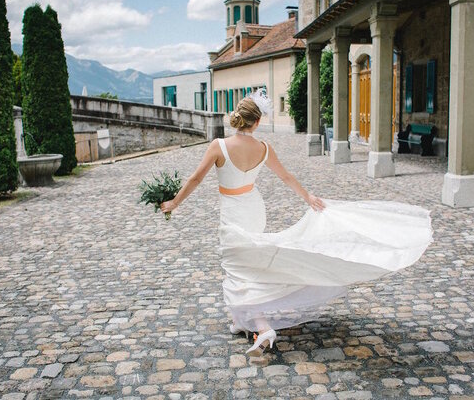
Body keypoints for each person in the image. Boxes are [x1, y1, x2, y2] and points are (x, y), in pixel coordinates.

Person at [161, 91, 432, 357]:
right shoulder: (264, 148)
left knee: (236, 264)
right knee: (248, 261)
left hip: (232, 209)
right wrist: (308, 197)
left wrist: (174, 203)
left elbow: (196, 179)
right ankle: (240, 319)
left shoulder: (218, 146)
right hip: (254, 207)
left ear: (237, 119)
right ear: (256, 122)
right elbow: (286, 177)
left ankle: (259, 324)